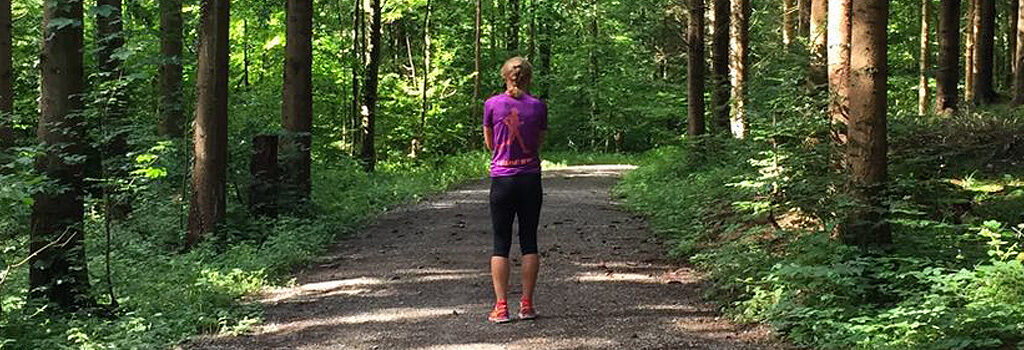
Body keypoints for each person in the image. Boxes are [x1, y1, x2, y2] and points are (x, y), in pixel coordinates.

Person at [483, 56, 547, 324]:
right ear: (528, 77)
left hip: (502, 180)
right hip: (530, 179)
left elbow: (490, 144)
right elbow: (538, 142)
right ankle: (527, 305)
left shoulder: (491, 104)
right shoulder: (538, 107)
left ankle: (501, 308)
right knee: (529, 240)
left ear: (505, 76)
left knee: (501, 243)